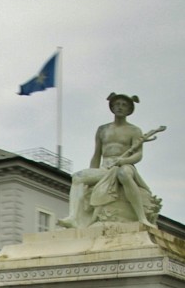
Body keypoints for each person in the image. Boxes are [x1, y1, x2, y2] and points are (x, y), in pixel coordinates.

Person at [58, 93, 162, 228]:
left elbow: (138, 155)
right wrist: (92, 175)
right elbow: (97, 154)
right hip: (105, 167)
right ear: (112, 107)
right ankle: (73, 217)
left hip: (126, 165)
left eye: (124, 105)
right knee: (77, 177)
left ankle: (141, 217)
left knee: (123, 174)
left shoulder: (134, 130)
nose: (120, 107)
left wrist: (124, 161)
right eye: (117, 104)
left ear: (129, 110)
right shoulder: (103, 129)